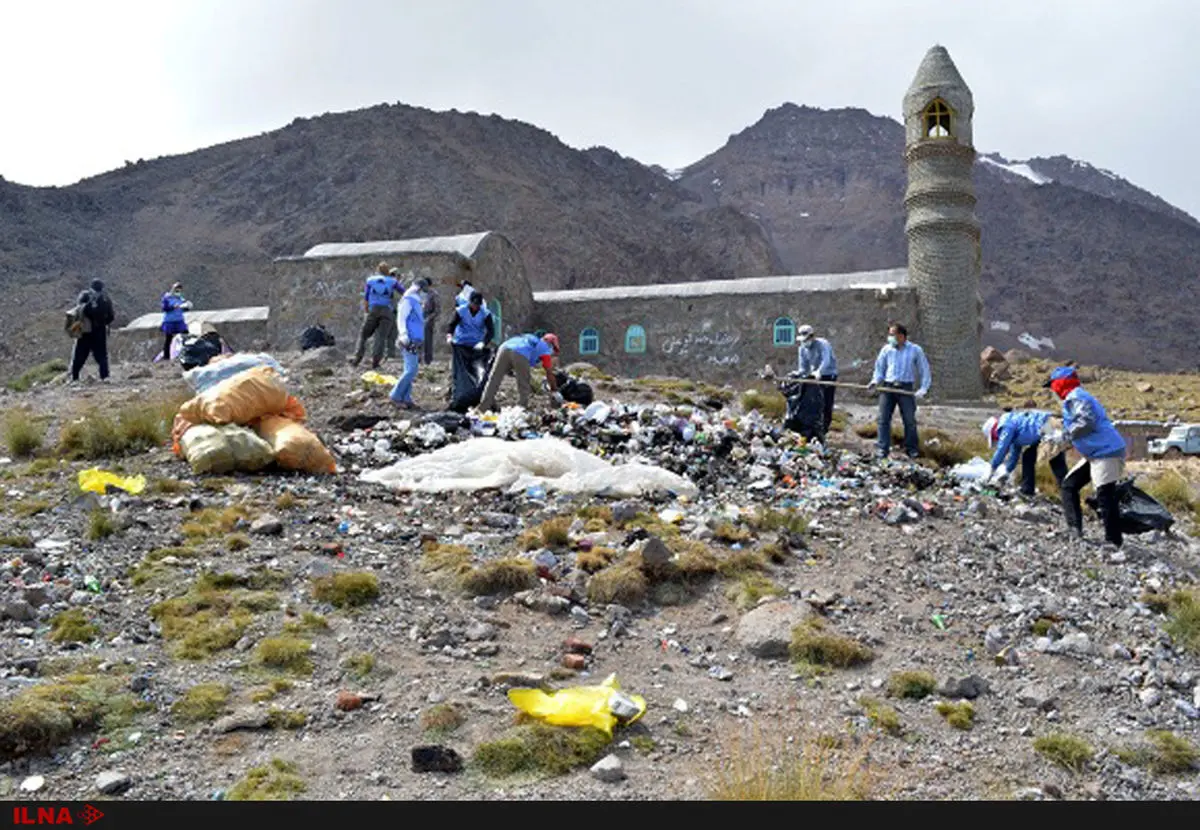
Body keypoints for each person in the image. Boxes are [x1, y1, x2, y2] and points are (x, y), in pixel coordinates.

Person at [1044, 365, 1128, 548]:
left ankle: (1113, 541)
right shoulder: (1073, 399)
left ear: (1060, 384)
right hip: (1096, 453)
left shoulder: (1077, 397)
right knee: (1069, 485)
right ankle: (1075, 530)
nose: (1052, 391)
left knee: (1105, 494)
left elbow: (1086, 422)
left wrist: (1064, 436)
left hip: (1106, 452)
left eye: (1052, 386)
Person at [867, 322, 931, 459]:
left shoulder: (915, 350)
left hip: (905, 388)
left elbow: (924, 370)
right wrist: (875, 381)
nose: (890, 337)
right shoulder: (886, 349)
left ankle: (911, 448)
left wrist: (923, 388)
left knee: (909, 420)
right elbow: (879, 369)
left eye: (892, 335)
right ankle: (882, 448)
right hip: (888, 387)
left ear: (901, 336)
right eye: (889, 334)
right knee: (883, 419)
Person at [982, 409, 1068, 497]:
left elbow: (1002, 449)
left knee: (1054, 458)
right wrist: (1007, 472)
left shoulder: (1006, 426)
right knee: (1028, 456)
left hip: (1047, 425)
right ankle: (1027, 490)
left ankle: (1068, 493)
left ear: (994, 430)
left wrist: (992, 468)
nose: (997, 440)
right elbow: (1014, 455)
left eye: (994, 438)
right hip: (1043, 429)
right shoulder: (1013, 429)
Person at [478, 331, 561, 412]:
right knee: (523, 383)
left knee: (494, 379)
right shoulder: (545, 348)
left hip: (504, 347)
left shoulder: (529, 338)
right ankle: (521, 409)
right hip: (521, 353)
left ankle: (483, 407)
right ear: (551, 345)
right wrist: (554, 389)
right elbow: (549, 373)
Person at [388, 277, 429, 410]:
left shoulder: (416, 302)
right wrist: (403, 334)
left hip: (415, 339)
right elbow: (401, 318)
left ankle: (406, 398)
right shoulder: (407, 300)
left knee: (411, 369)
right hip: (408, 339)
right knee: (411, 370)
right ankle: (396, 395)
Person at [352, 262, 400, 369]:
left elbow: (366, 296)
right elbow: (403, 292)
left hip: (373, 310)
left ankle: (357, 358)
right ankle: (376, 362)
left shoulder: (370, 280)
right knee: (381, 337)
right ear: (388, 271)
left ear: (378, 270)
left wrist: (366, 309)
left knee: (364, 335)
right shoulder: (393, 281)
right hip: (387, 311)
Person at [795, 324, 839, 437]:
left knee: (826, 404)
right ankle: (812, 430)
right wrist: (799, 374)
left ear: (812, 337)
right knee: (813, 403)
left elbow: (826, 360)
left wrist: (820, 371)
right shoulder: (802, 348)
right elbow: (803, 367)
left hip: (828, 375)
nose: (805, 342)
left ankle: (824, 430)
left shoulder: (823, 344)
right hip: (814, 377)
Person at [160, 282, 192, 361]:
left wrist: (188, 306)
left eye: (179, 291)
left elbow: (183, 309)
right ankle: (166, 358)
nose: (178, 292)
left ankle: (186, 355)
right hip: (169, 321)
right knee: (168, 339)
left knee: (186, 336)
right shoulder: (167, 298)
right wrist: (173, 307)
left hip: (179, 321)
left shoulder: (181, 299)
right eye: (176, 290)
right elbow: (164, 308)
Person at [421, 279, 441, 365]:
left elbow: (437, 310)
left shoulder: (433, 294)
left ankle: (428, 359)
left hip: (428, 318)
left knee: (427, 340)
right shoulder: (420, 293)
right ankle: (418, 359)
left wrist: (429, 318)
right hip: (418, 317)